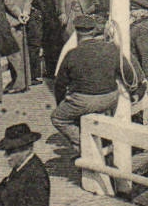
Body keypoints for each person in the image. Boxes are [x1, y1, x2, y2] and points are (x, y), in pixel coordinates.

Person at [47, 15, 121, 152]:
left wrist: (62, 102)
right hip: (111, 98)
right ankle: (101, 144)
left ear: (77, 34)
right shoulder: (112, 48)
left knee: (58, 118)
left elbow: (60, 84)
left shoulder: (72, 54)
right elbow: (127, 72)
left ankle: (85, 145)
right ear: (94, 31)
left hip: (83, 101)